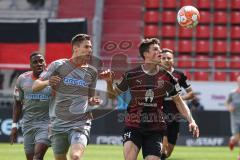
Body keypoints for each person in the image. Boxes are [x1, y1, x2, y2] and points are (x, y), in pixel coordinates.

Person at [100, 38, 199, 160]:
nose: (160, 52)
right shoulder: (131, 75)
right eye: (156, 49)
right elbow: (112, 95)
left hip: (155, 128)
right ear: (146, 54)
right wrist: (109, 83)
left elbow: (179, 102)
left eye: (160, 49)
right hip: (133, 125)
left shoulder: (168, 77)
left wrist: (191, 120)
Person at [32, 34, 102, 160]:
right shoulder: (58, 65)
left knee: (75, 156)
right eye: (86, 47)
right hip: (58, 124)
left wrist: (93, 100)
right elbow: (35, 85)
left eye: (90, 47)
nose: (90, 50)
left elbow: (90, 98)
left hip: (80, 123)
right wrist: (48, 82)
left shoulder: (92, 72)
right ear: (75, 48)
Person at [10, 52, 51, 160]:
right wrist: (14, 125)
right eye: (35, 62)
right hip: (28, 124)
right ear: (30, 65)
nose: (39, 64)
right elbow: (18, 103)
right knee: (31, 157)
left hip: (47, 124)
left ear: (45, 63)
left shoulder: (52, 80)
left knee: (37, 157)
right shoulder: (22, 79)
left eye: (41, 61)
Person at [159, 48, 195, 159]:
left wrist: (178, 98)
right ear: (160, 60)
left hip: (175, 116)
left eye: (168, 58)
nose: (166, 60)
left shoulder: (179, 75)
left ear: (173, 60)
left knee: (167, 153)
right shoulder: (155, 74)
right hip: (160, 114)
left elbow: (191, 94)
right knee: (162, 146)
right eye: (163, 58)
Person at [226, 75, 240, 159]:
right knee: (236, 138)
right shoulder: (232, 93)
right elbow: (227, 102)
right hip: (235, 120)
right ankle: (232, 140)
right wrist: (229, 107)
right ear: (237, 82)